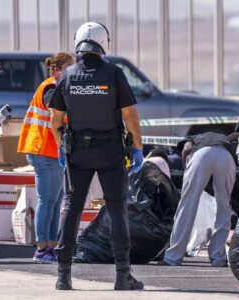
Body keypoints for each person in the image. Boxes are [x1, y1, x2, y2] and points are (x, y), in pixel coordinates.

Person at [49, 22, 144, 290]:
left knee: (72, 206)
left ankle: (63, 275)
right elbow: (130, 114)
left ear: (78, 42)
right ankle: (122, 274)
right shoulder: (114, 73)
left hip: (77, 151)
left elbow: (55, 120)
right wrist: (138, 146)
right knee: (116, 208)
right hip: (111, 151)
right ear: (104, 43)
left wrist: (60, 147)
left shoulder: (67, 76)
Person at [17, 52, 75, 263]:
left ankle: (50, 246)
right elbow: (56, 119)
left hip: (50, 150)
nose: (74, 71)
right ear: (58, 69)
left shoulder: (55, 86)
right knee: (48, 200)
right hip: (44, 149)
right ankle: (42, 248)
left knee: (55, 200)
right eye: (70, 67)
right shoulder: (51, 87)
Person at [162, 132, 237, 267]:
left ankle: (173, 257)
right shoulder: (226, 144)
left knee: (187, 204)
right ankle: (218, 258)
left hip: (201, 155)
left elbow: (186, 149)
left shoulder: (195, 137)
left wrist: (187, 171)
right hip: (227, 157)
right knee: (223, 206)